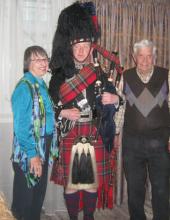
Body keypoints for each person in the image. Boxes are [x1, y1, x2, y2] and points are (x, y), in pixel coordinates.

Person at [49, 1, 123, 220]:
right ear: (70, 48)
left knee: (90, 184)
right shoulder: (59, 74)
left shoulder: (101, 73)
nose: (81, 50)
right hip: (71, 132)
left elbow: (117, 100)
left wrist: (116, 99)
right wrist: (61, 112)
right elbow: (48, 104)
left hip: (94, 131)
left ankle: (89, 217)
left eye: (85, 45)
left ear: (92, 47)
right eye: (76, 46)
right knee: (72, 185)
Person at [115, 39, 170, 220]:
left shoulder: (166, 76)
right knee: (135, 189)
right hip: (132, 142)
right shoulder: (125, 77)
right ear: (134, 57)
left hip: (160, 143)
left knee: (162, 188)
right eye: (141, 56)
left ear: (154, 57)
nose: (145, 61)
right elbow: (120, 107)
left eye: (149, 56)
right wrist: (116, 132)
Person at [11, 46, 58, 220]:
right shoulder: (24, 88)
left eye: (45, 59)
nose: (43, 63)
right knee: (25, 202)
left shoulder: (41, 84)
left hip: (42, 147)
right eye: (37, 59)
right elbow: (21, 128)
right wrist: (33, 155)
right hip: (28, 152)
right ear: (27, 64)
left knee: (37, 198)